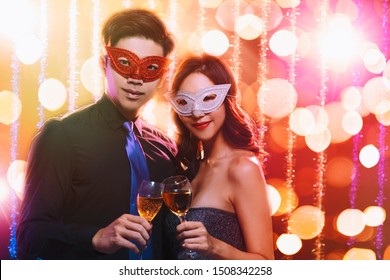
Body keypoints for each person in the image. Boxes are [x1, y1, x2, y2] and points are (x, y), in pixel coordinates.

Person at [16, 8, 176, 260]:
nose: (135, 78)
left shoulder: (166, 148)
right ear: (105, 64)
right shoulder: (61, 137)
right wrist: (94, 237)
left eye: (150, 68)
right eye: (125, 63)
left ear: (162, 77)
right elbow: (30, 236)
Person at [164, 54, 274, 260]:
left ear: (227, 100)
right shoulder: (188, 171)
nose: (197, 112)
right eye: (185, 102)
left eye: (207, 99)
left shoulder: (242, 168)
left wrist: (215, 247)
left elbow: (266, 264)